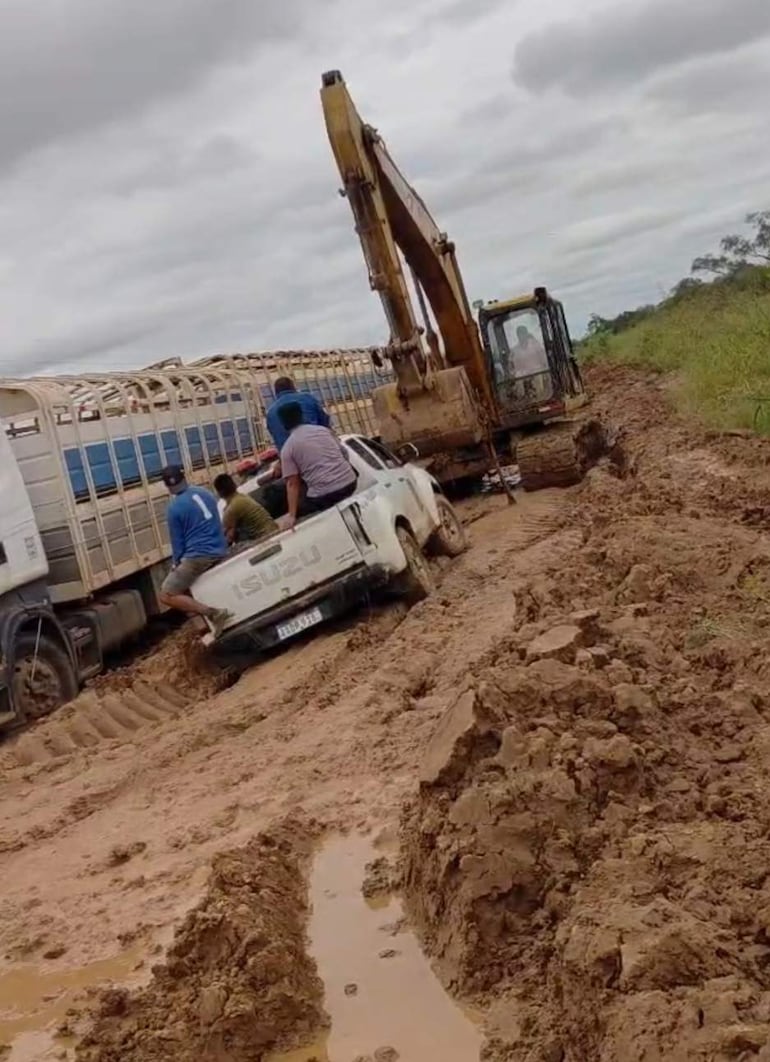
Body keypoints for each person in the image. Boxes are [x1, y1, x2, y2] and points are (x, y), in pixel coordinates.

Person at [159, 466, 232, 635]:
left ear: (168, 487)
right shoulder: (205, 493)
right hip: (220, 547)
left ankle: (213, 614)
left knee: (166, 594)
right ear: (184, 477)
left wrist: (176, 564)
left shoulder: (174, 509)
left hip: (199, 555)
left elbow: (178, 545)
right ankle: (205, 623)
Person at [277, 402, 357, 530]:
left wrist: (292, 515)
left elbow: (292, 484)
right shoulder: (323, 430)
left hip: (324, 496)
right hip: (350, 483)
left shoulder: (288, 448)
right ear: (301, 416)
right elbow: (344, 453)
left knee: (303, 503)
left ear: (283, 424)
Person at [266, 377, 331, 451]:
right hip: (318, 448)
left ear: (276, 392)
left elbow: (275, 436)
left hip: (289, 456)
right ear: (293, 387)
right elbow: (324, 421)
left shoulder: (270, 412)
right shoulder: (307, 398)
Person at [213, 473, 278, 545]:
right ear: (234, 485)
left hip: (265, 538)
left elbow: (229, 538)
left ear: (219, 493)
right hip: (273, 531)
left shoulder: (232, 508)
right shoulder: (242, 497)